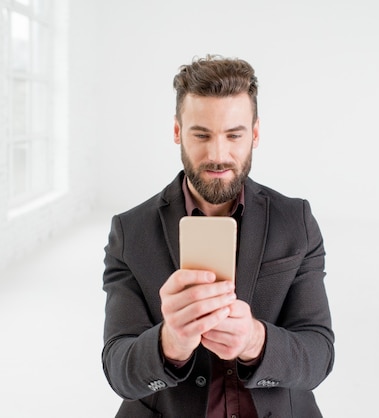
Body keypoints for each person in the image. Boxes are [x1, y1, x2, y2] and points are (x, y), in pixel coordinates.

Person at [102, 55, 334, 418]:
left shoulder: (296, 221)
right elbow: (118, 368)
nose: (217, 154)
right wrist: (169, 344)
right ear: (177, 132)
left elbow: (319, 353)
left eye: (233, 135)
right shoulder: (130, 232)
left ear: (254, 134)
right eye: (201, 134)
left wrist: (255, 340)